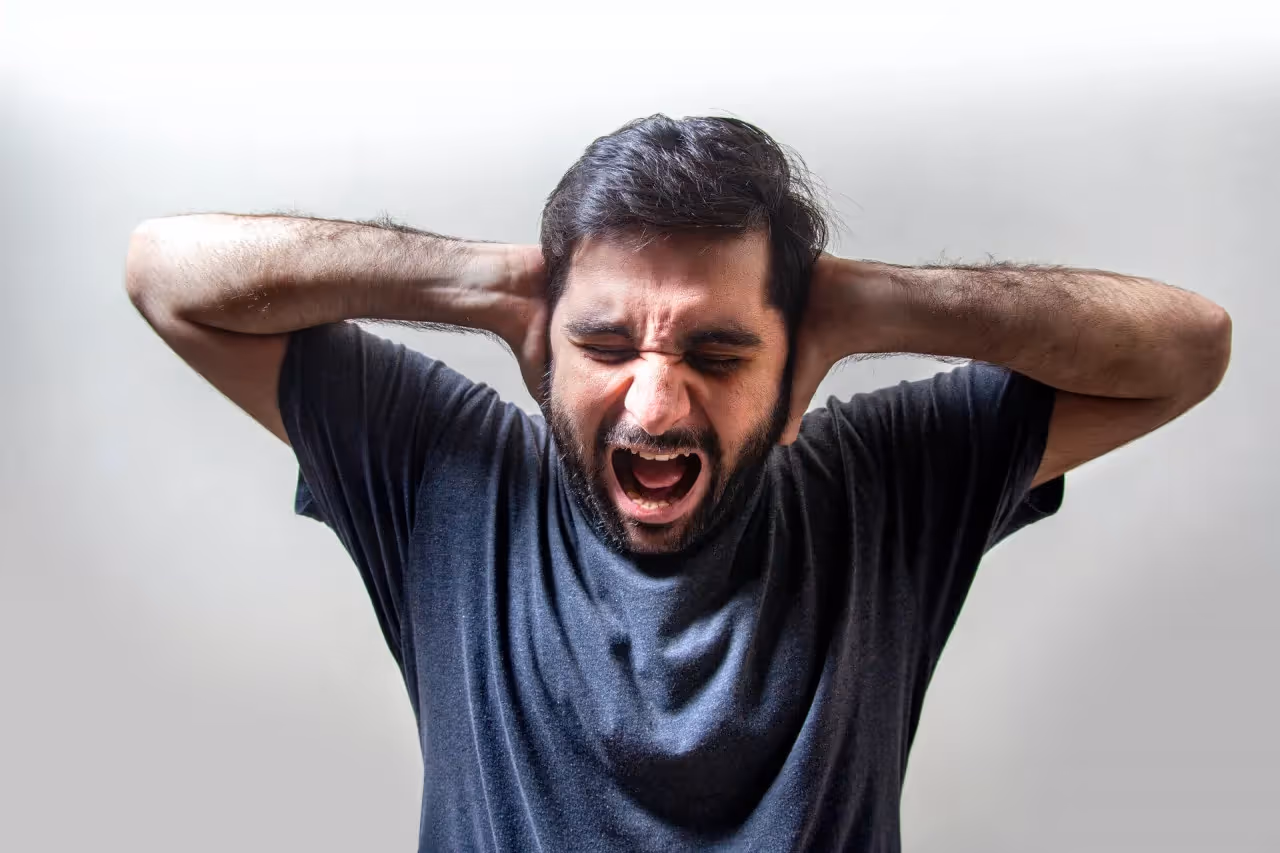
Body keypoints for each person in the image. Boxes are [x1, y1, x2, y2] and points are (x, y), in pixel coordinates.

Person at [124, 114, 1232, 852]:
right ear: (541, 346)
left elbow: (1187, 349)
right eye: (605, 345)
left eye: (715, 353)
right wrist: (492, 282)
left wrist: (874, 302)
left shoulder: (884, 484)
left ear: (793, 358)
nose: (654, 406)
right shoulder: (444, 475)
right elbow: (168, 276)